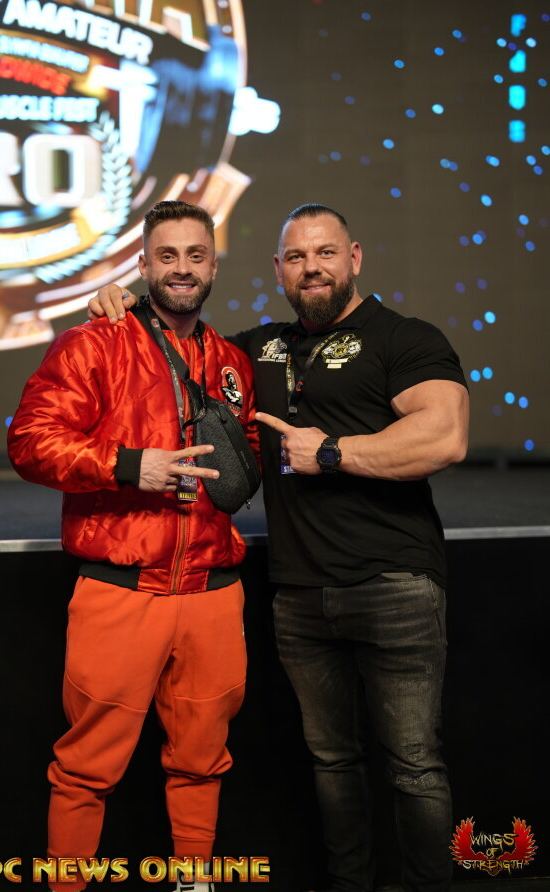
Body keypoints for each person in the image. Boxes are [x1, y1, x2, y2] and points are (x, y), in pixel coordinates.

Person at [88, 203, 469, 892]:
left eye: (325, 253)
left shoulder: (404, 337)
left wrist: (333, 451)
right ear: (278, 269)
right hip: (299, 596)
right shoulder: (256, 350)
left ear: (354, 257)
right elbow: (178, 338)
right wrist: (120, 301)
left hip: (394, 587)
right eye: (296, 257)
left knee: (414, 764)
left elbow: (445, 436)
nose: (311, 268)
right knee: (333, 764)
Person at [8, 201, 259, 892]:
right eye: (167, 255)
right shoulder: (94, 343)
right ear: (143, 263)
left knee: (203, 761)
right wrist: (127, 465)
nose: (182, 268)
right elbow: (29, 443)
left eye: (195, 255)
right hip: (122, 589)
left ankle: (194, 882)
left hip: (212, 592)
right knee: (86, 768)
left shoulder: (232, 361)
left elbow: (246, 454)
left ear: (213, 265)